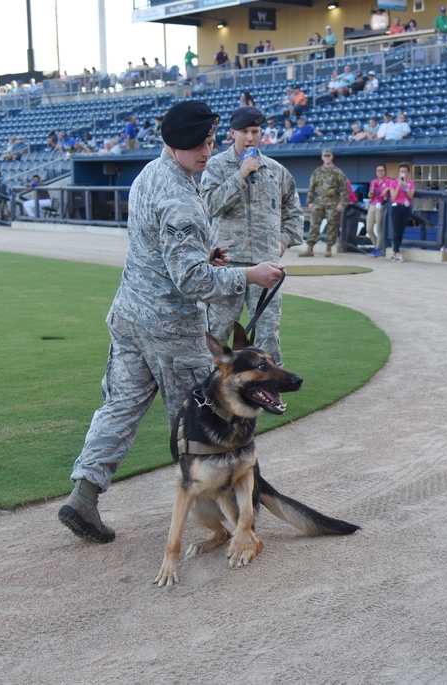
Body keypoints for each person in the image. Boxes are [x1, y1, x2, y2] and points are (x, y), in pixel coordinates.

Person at [58, 101, 285, 543]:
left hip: (129, 317)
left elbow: (164, 252)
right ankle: (233, 514)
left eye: (210, 142)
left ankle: (83, 496)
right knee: (200, 423)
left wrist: (206, 256)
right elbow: (191, 281)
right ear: (175, 144)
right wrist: (249, 275)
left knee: (119, 408)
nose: (207, 151)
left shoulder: (150, 174)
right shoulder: (180, 198)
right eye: (198, 145)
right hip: (171, 329)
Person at [200, 106, 303, 365]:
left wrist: (283, 240)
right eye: (244, 131)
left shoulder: (276, 170)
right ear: (232, 133)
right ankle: (210, 385)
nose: (250, 137)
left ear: (262, 133)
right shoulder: (217, 166)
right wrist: (240, 175)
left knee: (268, 333)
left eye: (255, 131)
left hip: (265, 265)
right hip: (228, 264)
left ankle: (271, 386)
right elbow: (210, 205)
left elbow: (294, 211)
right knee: (219, 330)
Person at [300, 148, 348, 257]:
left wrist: (341, 203)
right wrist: (310, 202)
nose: (327, 158)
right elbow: (311, 188)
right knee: (314, 224)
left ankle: (328, 248)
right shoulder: (317, 172)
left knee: (332, 225)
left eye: (328, 156)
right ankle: (310, 248)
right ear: (322, 157)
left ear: (332, 157)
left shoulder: (338, 172)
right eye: (325, 156)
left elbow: (344, 189)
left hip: (333, 202)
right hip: (319, 201)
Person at [386, 161, 415, 262]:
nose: (403, 173)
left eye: (405, 171)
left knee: (402, 229)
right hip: (396, 206)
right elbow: (393, 197)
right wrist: (399, 185)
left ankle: (396, 251)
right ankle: (396, 251)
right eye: (401, 171)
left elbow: (411, 196)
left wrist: (406, 186)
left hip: (406, 206)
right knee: (396, 229)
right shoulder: (393, 182)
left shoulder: (410, 183)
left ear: (408, 172)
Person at [366, 164, 391, 257]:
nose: (380, 172)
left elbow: (392, 189)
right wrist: (370, 194)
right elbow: (370, 194)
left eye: (382, 170)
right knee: (368, 228)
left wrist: (387, 188)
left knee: (379, 228)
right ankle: (378, 246)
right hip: (373, 204)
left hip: (382, 204)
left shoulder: (388, 181)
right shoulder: (373, 182)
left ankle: (377, 249)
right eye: (378, 170)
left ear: (385, 171)